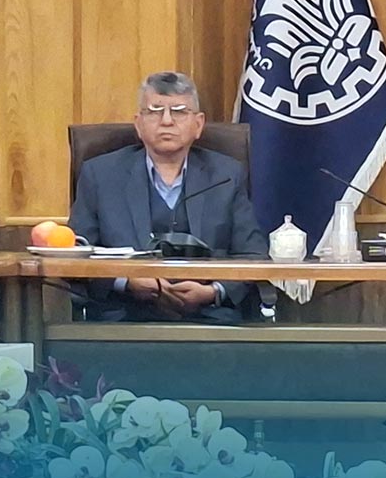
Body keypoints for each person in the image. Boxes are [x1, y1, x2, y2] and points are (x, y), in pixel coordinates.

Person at [69, 72, 266, 324]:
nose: (166, 121)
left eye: (179, 111)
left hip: (211, 320)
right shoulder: (100, 175)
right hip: (124, 320)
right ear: (139, 124)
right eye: (154, 111)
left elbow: (252, 254)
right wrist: (126, 281)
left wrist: (213, 291)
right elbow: (77, 252)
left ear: (198, 124)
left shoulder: (227, 175)